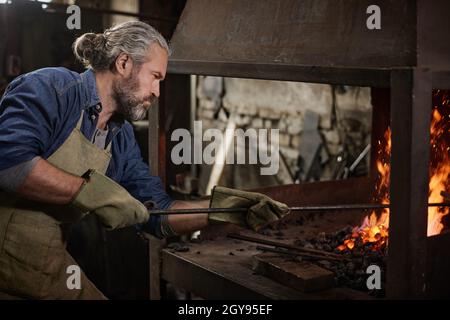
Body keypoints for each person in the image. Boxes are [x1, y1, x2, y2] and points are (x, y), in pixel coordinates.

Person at [0, 21, 288, 299]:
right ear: (124, 63)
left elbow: (157, 213)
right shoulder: (52, 88)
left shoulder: (120, 136)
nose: (157, 92)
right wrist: (90, 192)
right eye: (155, 77)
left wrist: (222, 210)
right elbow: (10, 164)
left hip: (39, 263)